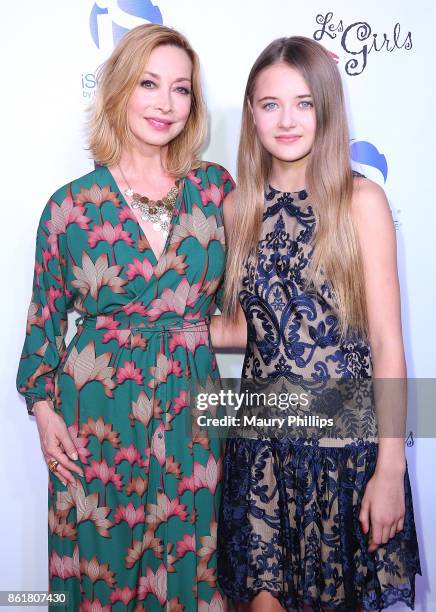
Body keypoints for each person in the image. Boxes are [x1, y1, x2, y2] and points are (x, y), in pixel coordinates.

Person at [16, 23, 234, 610]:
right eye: (149, 83)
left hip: (192, 416)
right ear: (118, 89)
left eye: (181, 89)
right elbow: (43, 329)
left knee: (194, 574)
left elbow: (248, 309)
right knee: (100, 579)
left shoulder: (215, 191)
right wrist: (42, 412)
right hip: (98, 422)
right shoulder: (69, 208)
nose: (166, 104)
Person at [211, 37, 421, 611]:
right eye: (269, 103)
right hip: (259, 457)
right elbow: (241, 335)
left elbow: (386, 344)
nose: (286, 120)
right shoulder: (235, 211)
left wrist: (390, 467)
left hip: (344, 457)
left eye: (303, 102)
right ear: (250, 111)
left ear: (326, 108)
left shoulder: (361, 202)